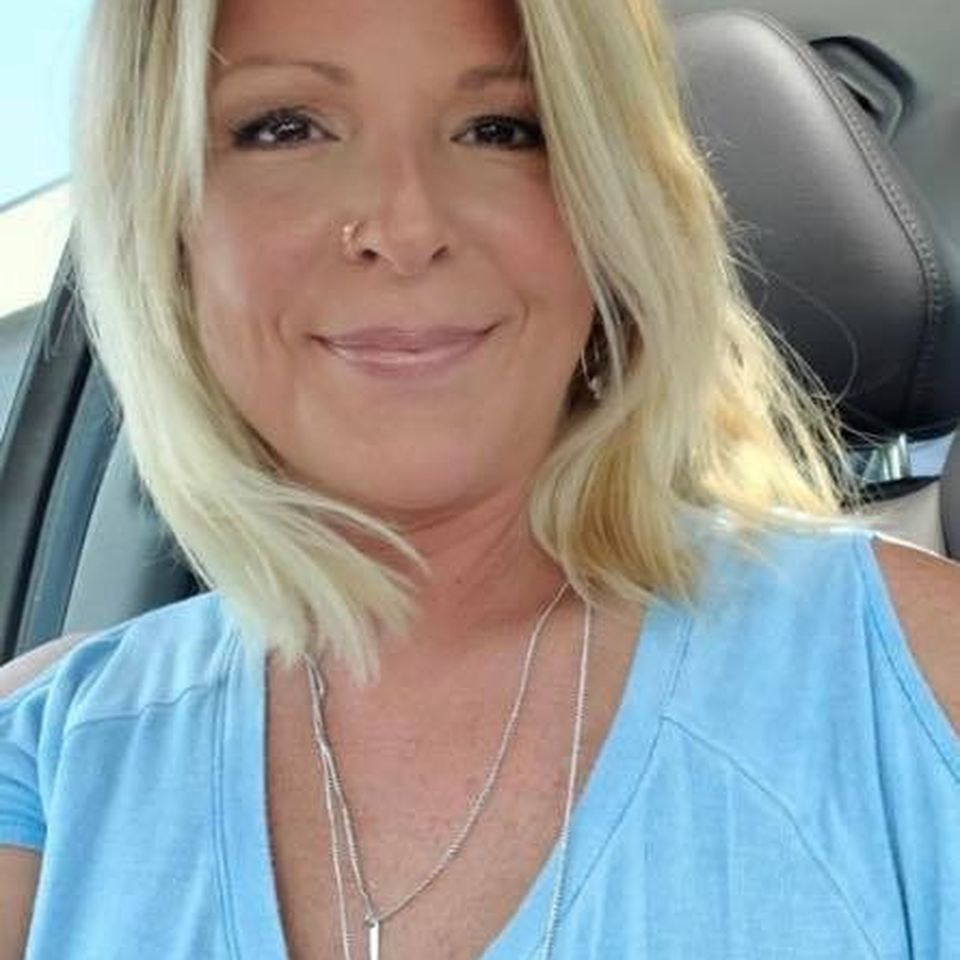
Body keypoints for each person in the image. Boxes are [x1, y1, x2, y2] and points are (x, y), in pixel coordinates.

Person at [1, 0, 958, 957]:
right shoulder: (49, 756)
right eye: (284, 128)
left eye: (500, 129)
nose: (406, 226)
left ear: (610, 216)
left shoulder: (918, 677)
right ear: (166, 226)